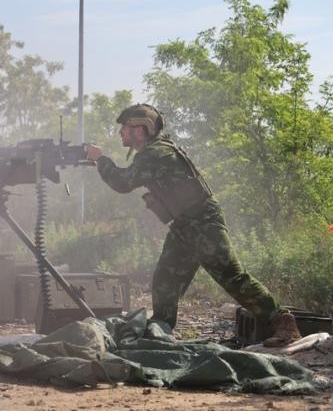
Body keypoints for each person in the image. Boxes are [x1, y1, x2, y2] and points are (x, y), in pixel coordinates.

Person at [85, 103, 301, 347]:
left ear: (141, 130)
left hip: (202, 221)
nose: (121, 132)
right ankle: (161, 329)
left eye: (126, 127)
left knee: (232, 276)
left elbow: (122, 182)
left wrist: (99, 159)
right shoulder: (154, 152)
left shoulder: (154, 154)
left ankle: (283, 323)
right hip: (186, 224)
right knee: (165, 278)